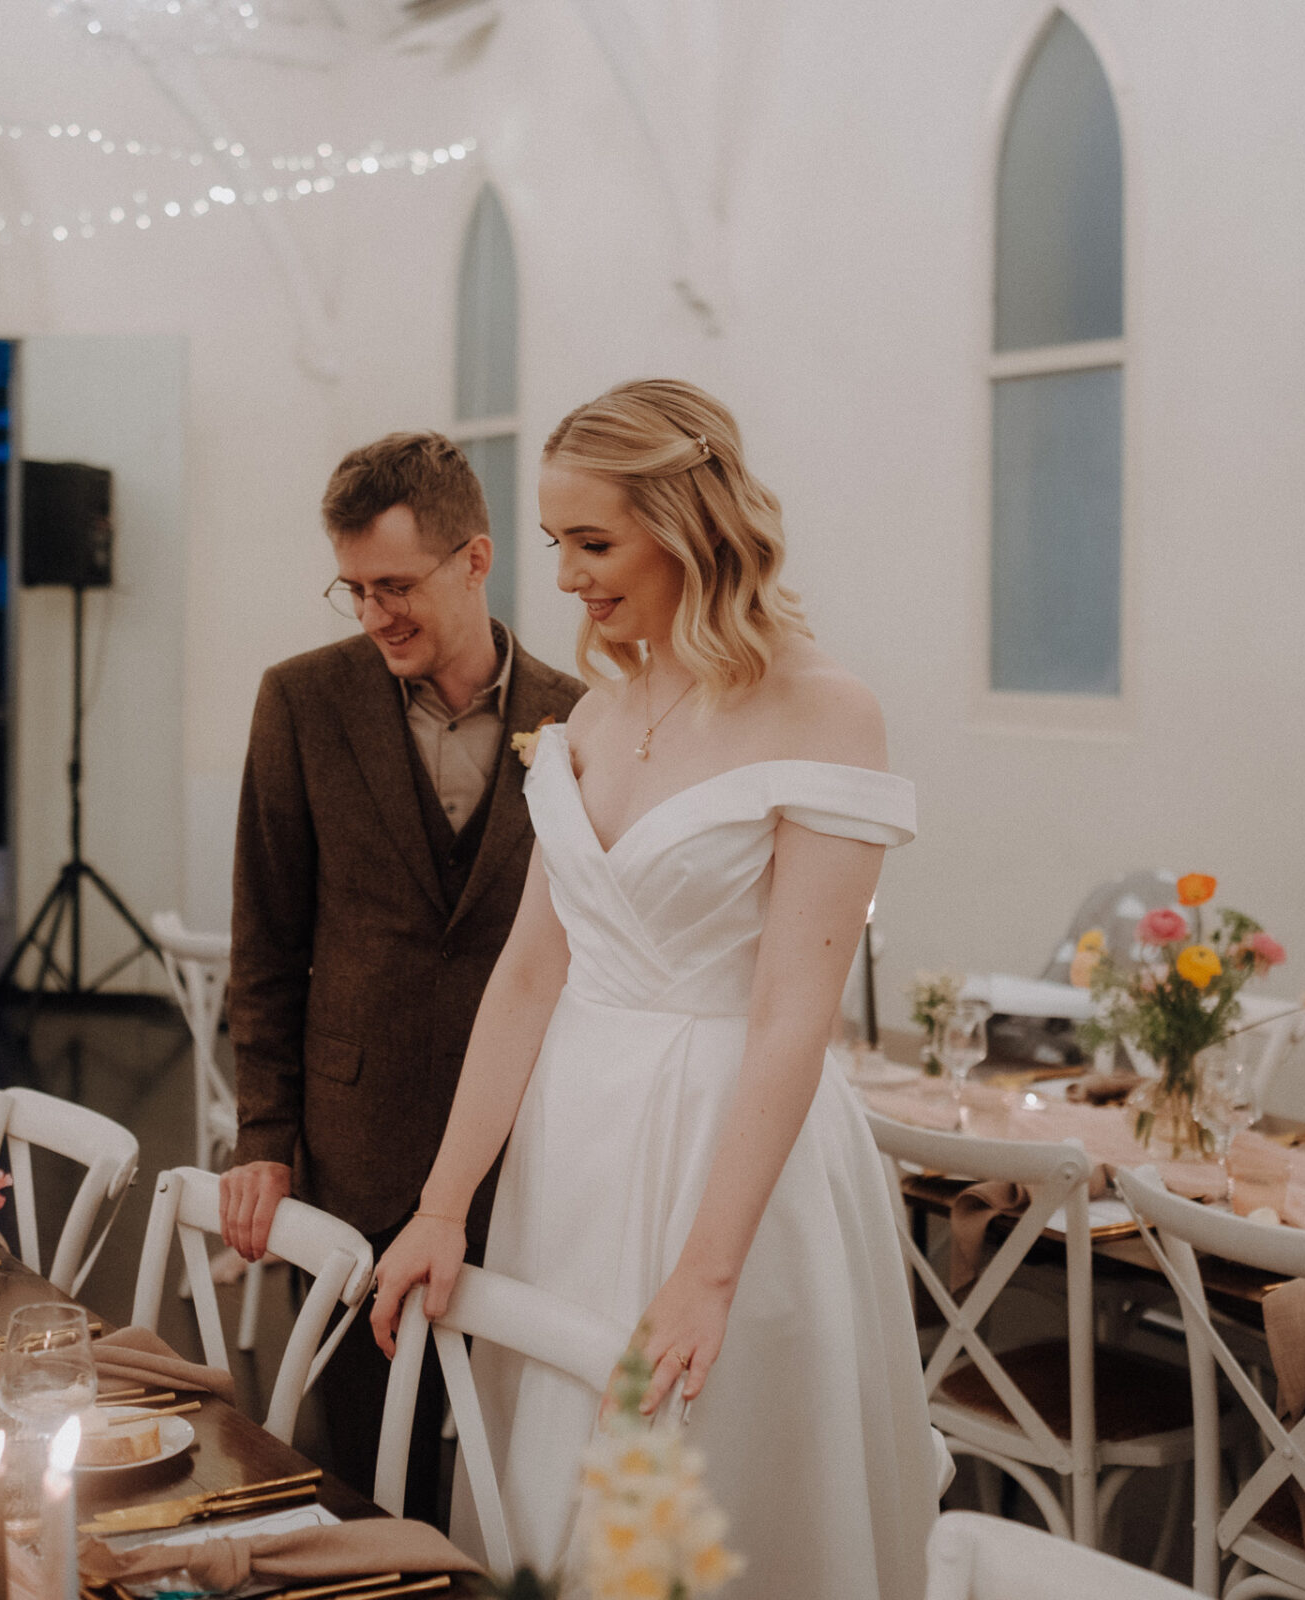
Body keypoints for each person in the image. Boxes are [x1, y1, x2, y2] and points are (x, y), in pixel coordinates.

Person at [368, 381, 938, 1597]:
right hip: (572, 1149)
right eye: (556, 544)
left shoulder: (827, 712)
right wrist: (442, 1203)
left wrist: (706, 1268)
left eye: (595, 542)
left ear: (689, 524)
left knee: (713, 1497)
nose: (567, 577)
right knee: (556, 1493)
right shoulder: (590, 720)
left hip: (730, 1158)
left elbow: (795, 1014)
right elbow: (529, 974)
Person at [220, 432, 585, 1515]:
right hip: (355, 1146)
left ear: (475, 560)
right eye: (355, 589)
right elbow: (266, 938)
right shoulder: (301, 701)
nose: (375, 613)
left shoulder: (580, 718)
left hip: (529, 1156)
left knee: (512, 1463)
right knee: (360, 1471)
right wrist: (264, 1134)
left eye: (396, 585)